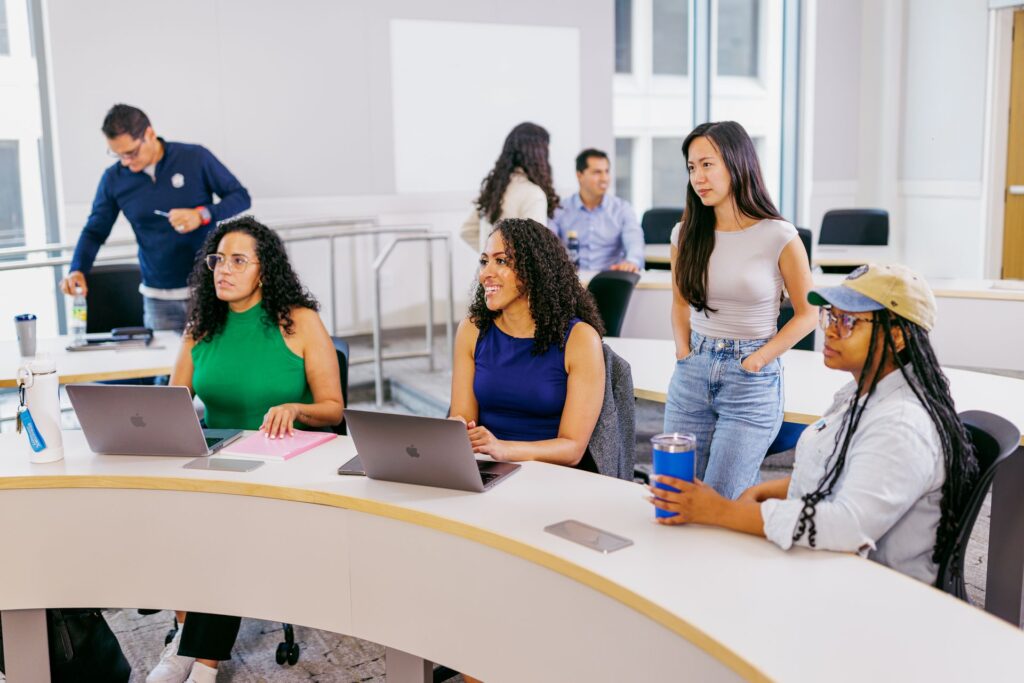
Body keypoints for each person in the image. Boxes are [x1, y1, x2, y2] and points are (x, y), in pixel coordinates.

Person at [648, 264, 979, 586]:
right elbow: (840, 469)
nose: (830, 330)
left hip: (870, 596)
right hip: (827, 568)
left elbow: (846, 527)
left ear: (897, 334)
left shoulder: (901, 425)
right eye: (831, 316)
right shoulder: (860, 392)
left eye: (848, 320)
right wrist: (770, 489)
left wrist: (719, 510)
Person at [148, 216, 343, 683]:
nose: (223, 269)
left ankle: (201, 662)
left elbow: (333, 410)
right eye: (218, 260)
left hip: (282, 466)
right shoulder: (201, 326)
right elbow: (171, 406)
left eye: (239, 260)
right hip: (217, 462)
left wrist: (296, 408)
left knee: (224, 528)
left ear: (264, 270)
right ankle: (185, 639)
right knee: (168, 512)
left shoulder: (298, 322)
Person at [663, 121, 817, 499]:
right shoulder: (684, 234)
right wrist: (683, 351)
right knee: (671, 493)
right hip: (692, 371)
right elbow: (681, 302)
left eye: (707, 164)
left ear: (736, 163)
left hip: (751, 378)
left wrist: (759, 359)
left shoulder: (778, 235)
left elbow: (809, 313)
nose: (698, 176)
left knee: (719, 500)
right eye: (691, 167)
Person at [61, 104, 251, 333]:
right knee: (165, 369)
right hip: (157, 299)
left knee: (216, 365)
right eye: (118, 154)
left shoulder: (195, 158)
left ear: (149, 134)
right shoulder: (114, 179)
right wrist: (77, 268)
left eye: (131, 153)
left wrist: (202, 215)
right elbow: (94, 230)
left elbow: (240, 197)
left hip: (209, 291)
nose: (126, 162)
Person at [449, 217, 606, 471]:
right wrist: (458, 428)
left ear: (534, 270)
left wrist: (504, 449)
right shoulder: (472, 329)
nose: (486, 273)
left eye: (501, 261)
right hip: (486, 467)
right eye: (484, 261)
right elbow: (463, 419)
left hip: (551, 474)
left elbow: (573, 448)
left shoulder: (580, 339)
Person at [460, 122, 560, 250]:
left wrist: (491, 256)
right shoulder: (533, 194)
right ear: (539, 155)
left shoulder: (494, 188)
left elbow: (467, 231)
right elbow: (536, 250)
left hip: (487, 270)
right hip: (515, 270)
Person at [550, 148, 644, 272]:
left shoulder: (622, 209)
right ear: (580, 175)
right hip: (571, 282)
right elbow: (548, 244)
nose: (604, 178)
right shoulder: (560, 209)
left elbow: (635, 242)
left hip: (610, 281)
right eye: (597, 172)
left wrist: (632, 262)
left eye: (606, 171)